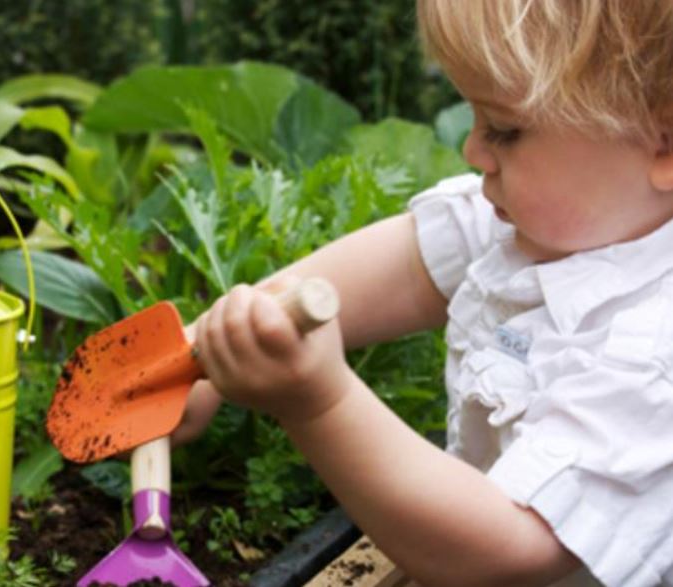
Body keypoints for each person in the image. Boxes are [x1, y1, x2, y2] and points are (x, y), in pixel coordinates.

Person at [172, 1, 673, 586]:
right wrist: (203, 350)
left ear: (663, 145)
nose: (473, 151)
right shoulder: (550, 223)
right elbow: (409, 267)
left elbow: (507, 550)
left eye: (505, 130)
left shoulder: (656, 350)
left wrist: (318, 403)